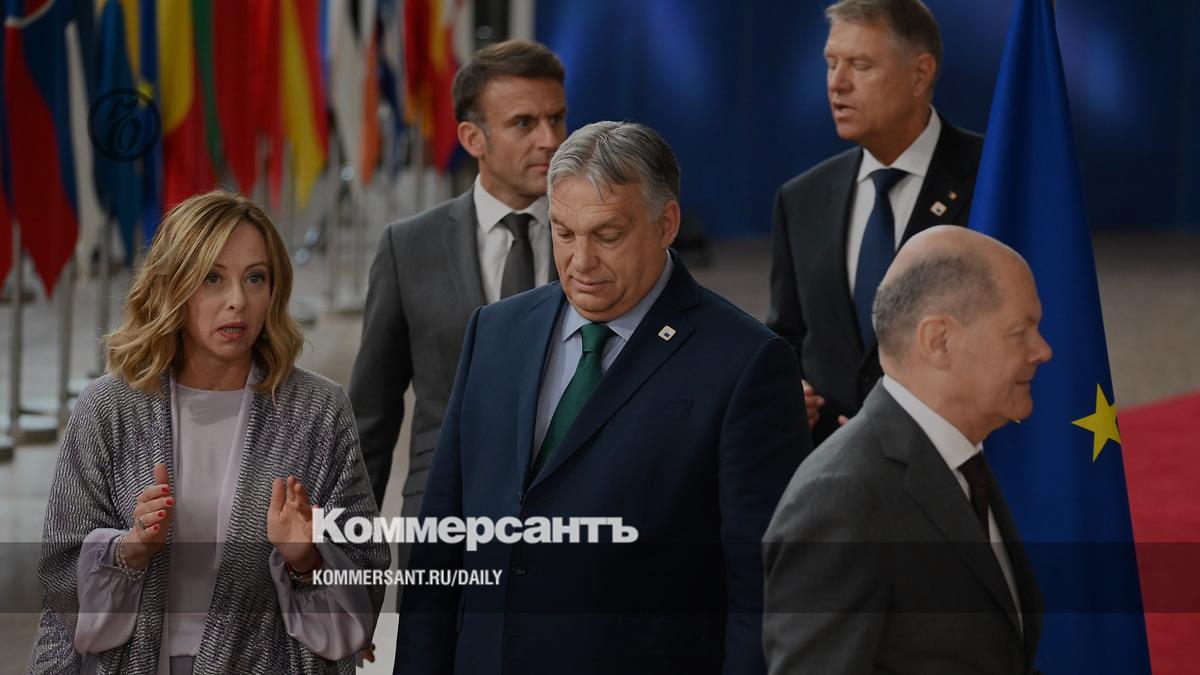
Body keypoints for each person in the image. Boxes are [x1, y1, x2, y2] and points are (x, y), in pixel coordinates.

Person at [393, 122, 812, 675]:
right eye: (563, 233)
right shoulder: (494, 333)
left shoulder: (746, 364)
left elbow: (760, 593)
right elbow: (443, 541)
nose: (580, 261)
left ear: (666, 224)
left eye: (607, 235)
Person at [30, 192, 389, 673]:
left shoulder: (318, 411)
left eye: (255, 278)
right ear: (173, 285)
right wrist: (128, 551)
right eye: (212, 278)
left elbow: (367, 570)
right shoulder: (108, 408)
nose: (237, 300)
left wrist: (306, 559)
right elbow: (59, 574)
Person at [763, 226, 1050, 674]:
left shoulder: (961, 461)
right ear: (938, 341)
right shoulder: (840, 499)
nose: (1042, 351)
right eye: (1020, 332)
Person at [349, 39, 567, 518]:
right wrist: (346, 547)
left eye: (556, 118)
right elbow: (371, 415)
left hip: (570, 510)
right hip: (444, 509)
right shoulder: (408, 247)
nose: (550, 139)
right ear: (472, 139)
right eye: (524, 123)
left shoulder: (596, 238)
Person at [768, 0, 984, 445]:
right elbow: (787, 337)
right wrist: (786, 389)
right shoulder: (801, 199)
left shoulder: (996, 178)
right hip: (831, 462)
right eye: (832, 63)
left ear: (920, 74)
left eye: (861, 65)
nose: (837, 83)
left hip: (956, 459)